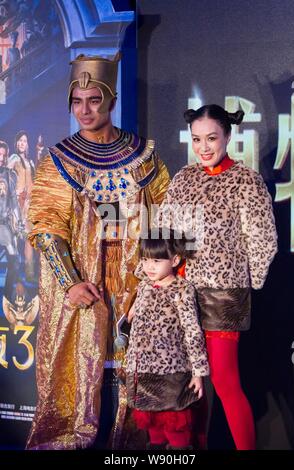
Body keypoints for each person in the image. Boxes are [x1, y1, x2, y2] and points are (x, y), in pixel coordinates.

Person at [25, 52, 170, 450]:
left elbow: (167, 223)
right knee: (82, 394)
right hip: (84, 295)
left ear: (111, 100)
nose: (84, 110)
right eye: (77, 101)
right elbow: (46, 228)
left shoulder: (143, 157)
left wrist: (159, 282)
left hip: (137, 290)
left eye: (93, 99)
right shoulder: (58, 161)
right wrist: (71, 283)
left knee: (134, 394)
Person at [157, 104, 278, 450]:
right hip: (183, 293)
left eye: (211, 138)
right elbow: (163, 232)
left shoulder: (246, 180)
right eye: (197, 139)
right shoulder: (184, 178)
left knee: (224, 381)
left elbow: (263, 239)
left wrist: (247, 282)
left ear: (227, 135)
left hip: (225, 296)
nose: (204, 147)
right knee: (188, 385)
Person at [126, 228, 209, 450]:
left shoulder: (182, 290)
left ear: (174, 259)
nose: (149, 266)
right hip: (144, 373)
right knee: (154, 434)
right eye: (145, 260)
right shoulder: (144, 287)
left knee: (176, 432)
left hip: (172, 375)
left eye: (156, 260)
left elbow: (193, 331)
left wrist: (198, 373)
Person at [8, 130, 35, 280]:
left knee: (28, 240)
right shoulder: (13, 158)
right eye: (19, 140)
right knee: (14, 239)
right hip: (17, 204)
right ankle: (13, 274)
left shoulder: (30, 162)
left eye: (24, 141)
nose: (21, 143)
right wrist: (16, 193)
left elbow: (33, 183)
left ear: (27, 144)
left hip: (29, 206)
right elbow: (4, 175)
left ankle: (30, 273)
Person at [0, 140, 22, 301]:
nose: (1, 158)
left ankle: (7, 296)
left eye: (3, 155)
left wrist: (19, 220)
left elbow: (14, 201)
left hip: (3, 224)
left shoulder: (8, 175)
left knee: (14, 261)